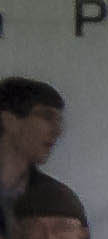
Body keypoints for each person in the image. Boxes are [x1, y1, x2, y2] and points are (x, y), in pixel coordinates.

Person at [0, 76, 63, 211]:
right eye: (47, 117)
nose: (57, 131)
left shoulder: (55, 196)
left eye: (59, 121)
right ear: (9, 121)